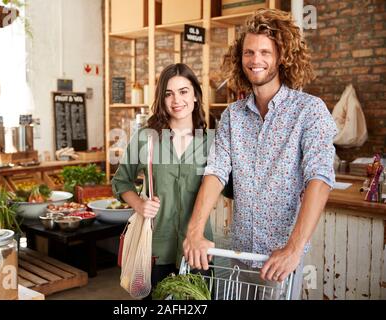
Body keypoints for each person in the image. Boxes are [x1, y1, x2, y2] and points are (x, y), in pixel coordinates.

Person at [183, 9, 338, 300]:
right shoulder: (233, 116)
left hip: (280, 262)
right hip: (237, 253)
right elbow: (216, 171)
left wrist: (292, 249)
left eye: (265, 52)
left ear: (282, 57)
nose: (256, 60)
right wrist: (194, 231)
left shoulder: (310, 110)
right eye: (249, 52)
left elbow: (320, 178)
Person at [112, 63, 213, 296]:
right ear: (161, 98)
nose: (176, 100)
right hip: (155, 247)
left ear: (196, 95)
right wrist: (139, 204)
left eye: (184, 91)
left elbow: (229, 187)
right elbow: (121, 181)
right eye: (168, 93)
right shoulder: (145, 139)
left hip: (197, 247)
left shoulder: (210, 142)